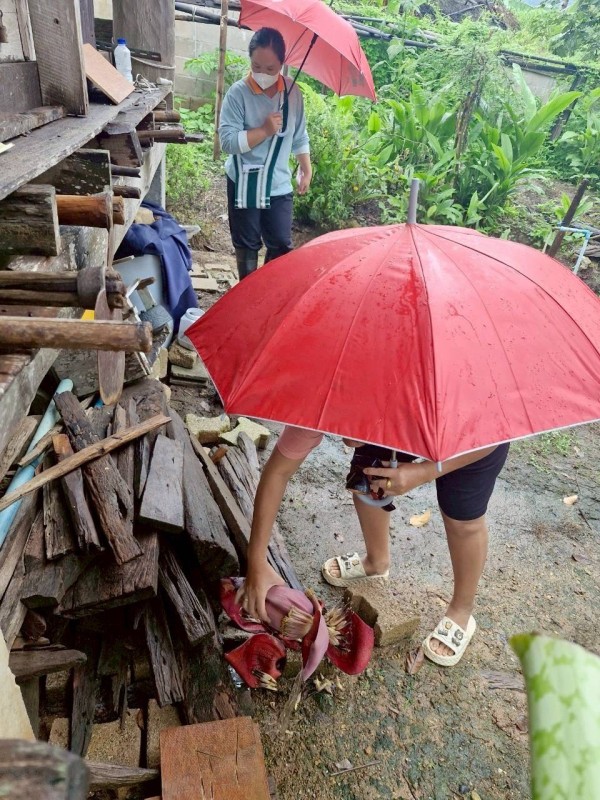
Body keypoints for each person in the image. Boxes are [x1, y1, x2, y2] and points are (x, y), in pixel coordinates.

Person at [238, 426, 510, 667]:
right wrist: (257, 561)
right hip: (387, 423)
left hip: (473, 438)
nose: (345, 440)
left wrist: (426, 471)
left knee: (463, 520)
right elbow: (277, 471)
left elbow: (493, 436)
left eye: (350, 428)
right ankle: (376, 562)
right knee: (369, 481)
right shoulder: (320, 400)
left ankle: (461, 610)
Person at [218, 28, 312, 281]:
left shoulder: (293, 93)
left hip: (278, 183)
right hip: (244, 181)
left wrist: (306, 167)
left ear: (282, 64)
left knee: (281, 244)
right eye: (256, 66)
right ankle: (246, 295)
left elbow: (299, 134)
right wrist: (264, 130)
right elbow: (227, 142)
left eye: (270, 69)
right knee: (247, 244)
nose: (262, 74)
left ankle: (268, 294)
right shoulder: (238, 94)